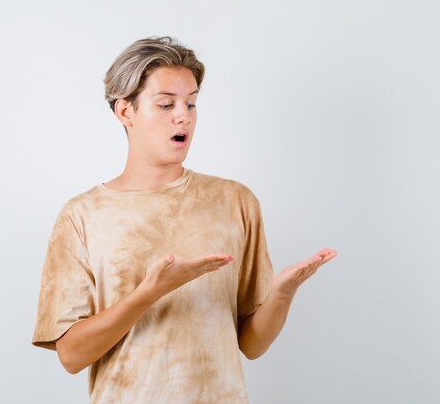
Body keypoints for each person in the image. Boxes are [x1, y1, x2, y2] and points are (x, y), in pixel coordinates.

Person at [32, 36, 337, 404]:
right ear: (125, 111)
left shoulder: (234, 201)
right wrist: (149, 293)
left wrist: (282, 293)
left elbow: (251, 345)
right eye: (166, 104)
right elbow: (71, 355)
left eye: (191, 103)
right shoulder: (82, 216)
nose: (184, 116)